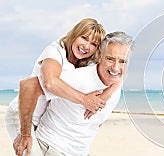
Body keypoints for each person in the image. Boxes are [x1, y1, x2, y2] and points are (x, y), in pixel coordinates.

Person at [4, 18, 117, 155]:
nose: (87, 46)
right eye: (84, 38)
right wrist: (84, 100)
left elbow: (119, 72)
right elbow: (50, 82)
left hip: (41, 118)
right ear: (75, 34)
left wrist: (107, 93)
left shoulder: (86, 61)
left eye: (93, 44)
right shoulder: (55, 51)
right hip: (22, 114)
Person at [33, 31, 132, 155]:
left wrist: (108, 93)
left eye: (123, 61)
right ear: (100, 56)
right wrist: (26, 133)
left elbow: (95, 124)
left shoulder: (115, 86)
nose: (116, 68)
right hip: (53, 146)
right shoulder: (77, 78)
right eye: (110, 59)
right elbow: (30, 87)